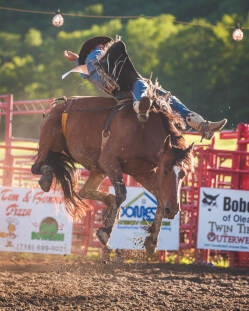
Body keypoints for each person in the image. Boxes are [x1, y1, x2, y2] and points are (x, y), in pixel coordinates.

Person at [63, 36, 227, 139]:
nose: (102, 47)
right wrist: (78, 58)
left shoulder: (86, 68)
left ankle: (203, 126)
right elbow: (93, 60)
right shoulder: (95, 58)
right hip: (127, 88)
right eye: (100, 46)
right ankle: (140, 106)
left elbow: (86, 65)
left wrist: (76, 59)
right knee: (144, 85)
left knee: (167, 98)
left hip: (126, 86)